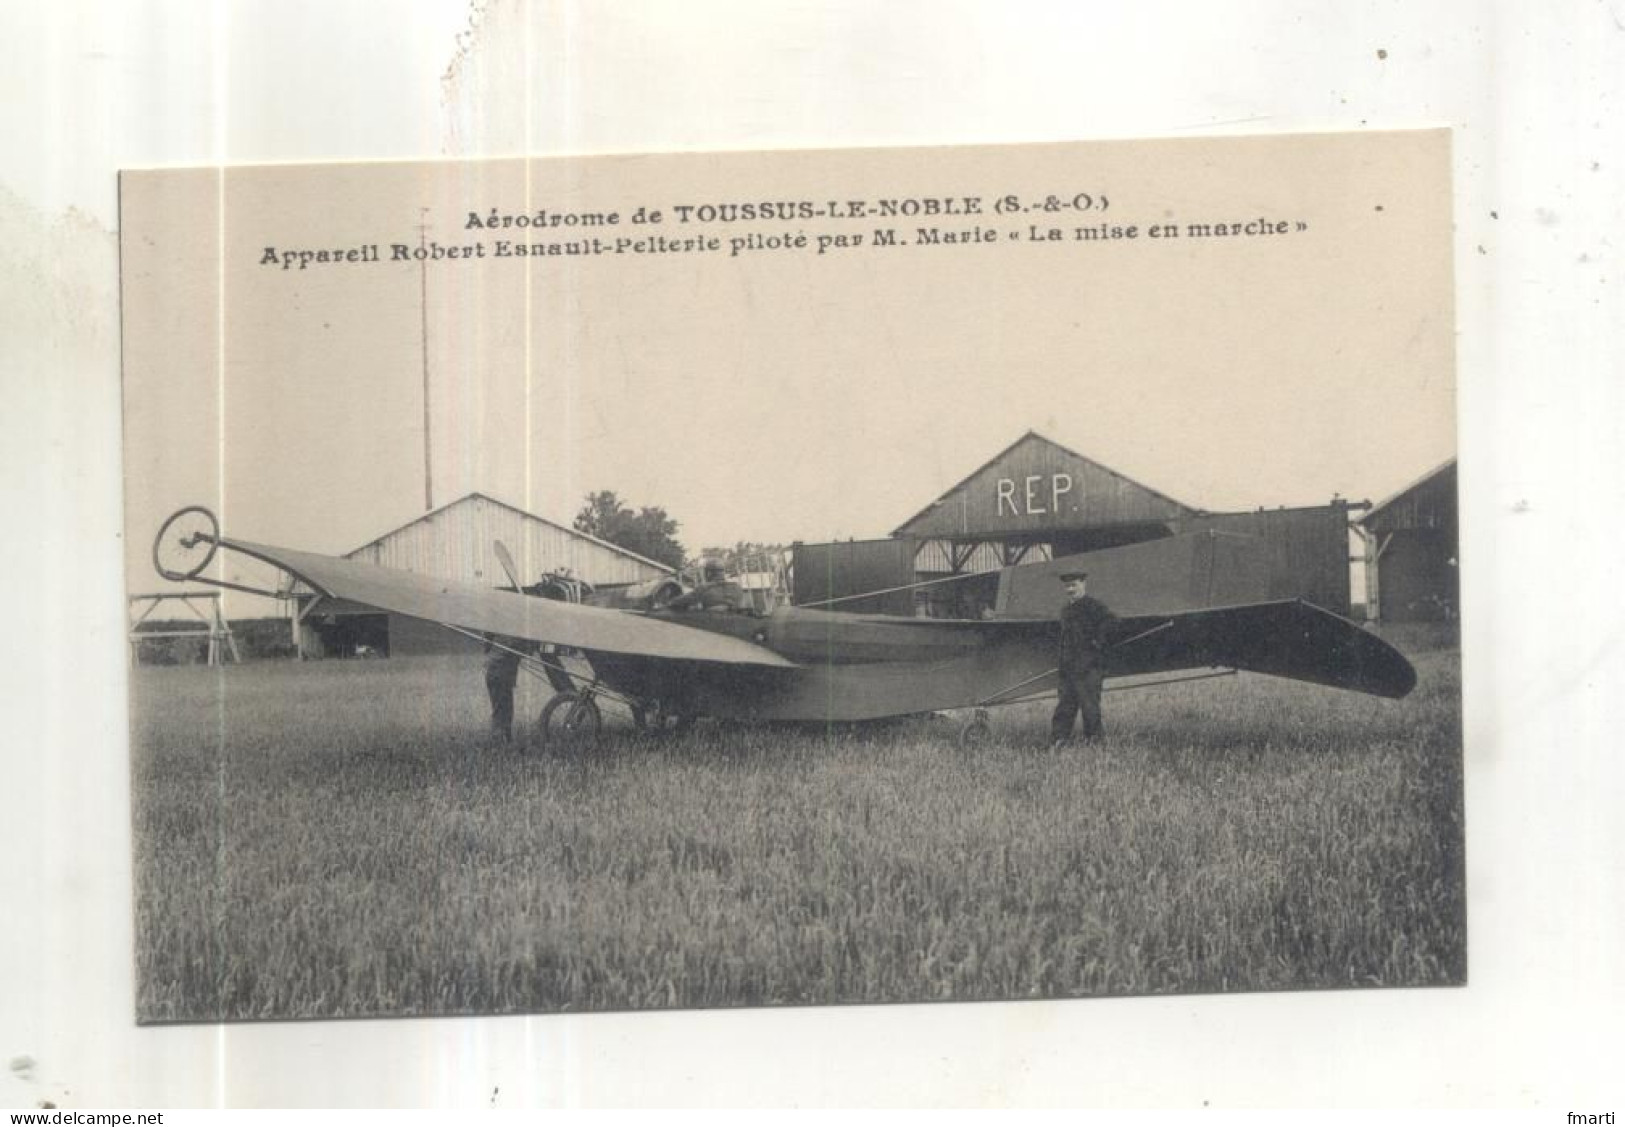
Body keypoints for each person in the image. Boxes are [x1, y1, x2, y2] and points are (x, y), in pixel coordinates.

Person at [1051, 570, 1116, 747]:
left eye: (1074, 585)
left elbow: (1110, 622)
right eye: (1067, 586)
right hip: (1069, 667)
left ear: (1083, 584)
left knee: (1090, 707)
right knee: (1065, 706)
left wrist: (1097, 642)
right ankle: (1059, 740)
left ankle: (1095, 742)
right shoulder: (1065, 610)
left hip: (1089, 667)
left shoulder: (1094, 606)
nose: (1070, 589)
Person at [483, 633, 528, 743]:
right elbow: (524, 647)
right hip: (499, 673)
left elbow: (486, 645)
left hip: (497, 672)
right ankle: (498, 743)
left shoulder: (502, 635)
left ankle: (506, 741)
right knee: (501, 712)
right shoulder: (512, 638)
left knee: (505, 710)